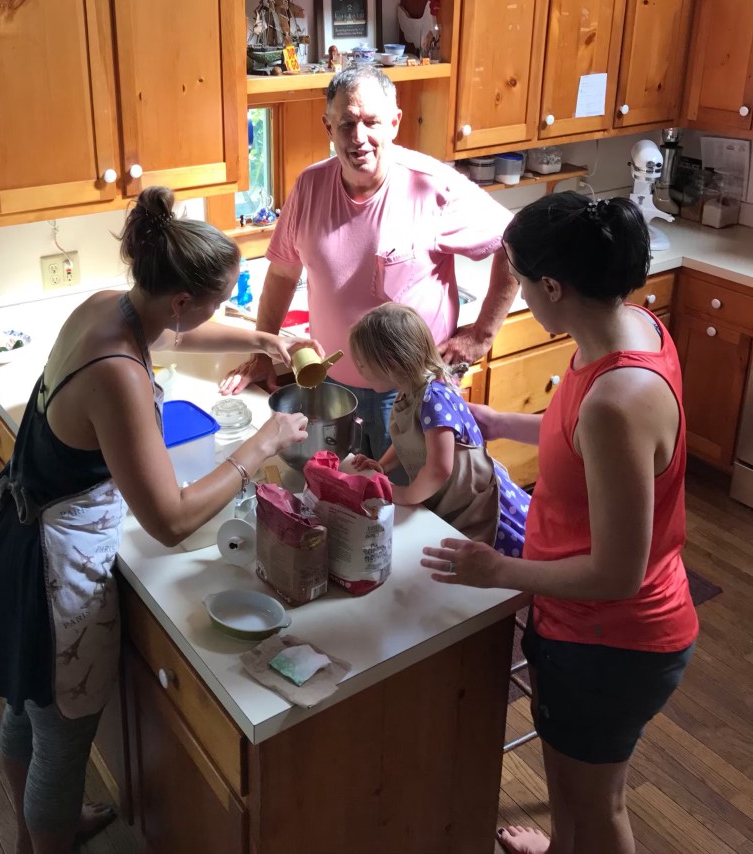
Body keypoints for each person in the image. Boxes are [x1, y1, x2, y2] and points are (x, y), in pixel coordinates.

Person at [0, 187, 309, 854]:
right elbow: (170, 521)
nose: (217, 315)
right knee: (62, 739)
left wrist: (265, 338)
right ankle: (47, 837)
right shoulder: (118, 374)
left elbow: (184, 332)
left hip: (13, 533)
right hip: (50, 571)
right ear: (181, 300)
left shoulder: (108, 306)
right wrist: (261, 445)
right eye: (218, 302)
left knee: (28, 709)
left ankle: (32, 836)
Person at [420, 192, 698, 854]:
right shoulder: (628, 327)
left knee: (598, 807)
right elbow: (574, 436)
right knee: (570, 790)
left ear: (552, 286)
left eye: (518, 279)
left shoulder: (617, 401)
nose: (516, 293)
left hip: (613, 640)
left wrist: (499, 570)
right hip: (578, 624)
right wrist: (499, 422)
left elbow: (618, 573)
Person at [221, 64, 519, 458]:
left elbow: (517, 241)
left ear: (394, 123)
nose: (358, 137)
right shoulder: (309, 187)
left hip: (412, 391)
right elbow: (281, 275)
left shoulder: (430, 185)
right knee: (342, 489)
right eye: (346, 124)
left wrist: (482, 334)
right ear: (328, 127)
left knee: (414, 492)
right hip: (329, 385)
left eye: (371, 122)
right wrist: (262, 353)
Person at [348, 302, 529, 552]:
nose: (358, 369)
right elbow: (408, 441)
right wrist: (383, 465)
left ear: (392, 365)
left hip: (477, 506)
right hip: (450, 501)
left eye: (362, 363)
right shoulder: (407, 392)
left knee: (496, 566)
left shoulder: (433, 400)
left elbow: (439, 469)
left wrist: (406, 495)